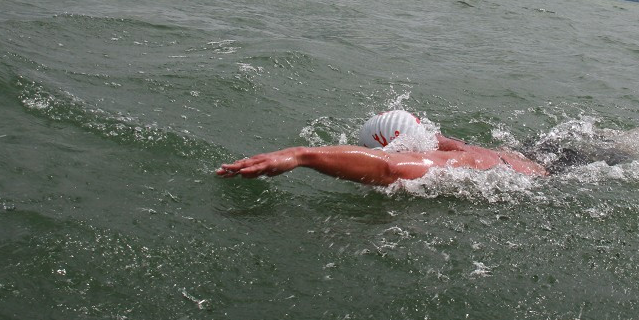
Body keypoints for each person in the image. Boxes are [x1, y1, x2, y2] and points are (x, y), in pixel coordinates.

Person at [216, 110, 547, 185]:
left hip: (552, 176)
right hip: (538, 157)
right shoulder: (454, 145)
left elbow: (390, 168)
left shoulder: (449, 161)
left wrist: (301, 155)